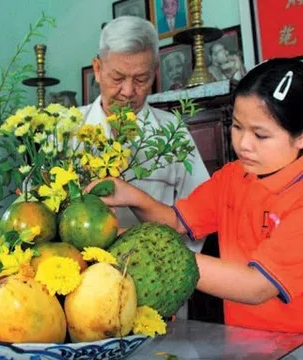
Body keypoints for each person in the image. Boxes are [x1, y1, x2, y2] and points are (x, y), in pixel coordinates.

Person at [87, 58, 303, 333]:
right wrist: (132, 196)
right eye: (237, 127)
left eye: (260, 135)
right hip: (241, 340)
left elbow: (257, 286)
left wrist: (152, 253)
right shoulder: (233, 176)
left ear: (300, 137)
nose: (243, 144)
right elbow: (178, 221)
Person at [79, 15, 209, 242]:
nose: (128, 91)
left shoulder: (173, 132)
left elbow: (202, 214)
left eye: (141, 79)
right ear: (98, 69)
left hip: (155, 266)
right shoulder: (66, 128)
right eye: (117, 78)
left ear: (155, 71)